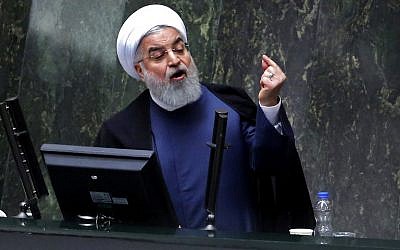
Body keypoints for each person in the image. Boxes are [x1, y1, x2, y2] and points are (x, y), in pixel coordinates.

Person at [95, 4, 314, 233]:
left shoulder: (232, 105)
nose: (174, 60)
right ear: (140, 71)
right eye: (158, 55)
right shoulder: (121, 133)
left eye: (180, 49)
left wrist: (268, 103)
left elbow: (273, 165)